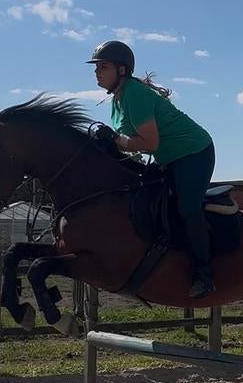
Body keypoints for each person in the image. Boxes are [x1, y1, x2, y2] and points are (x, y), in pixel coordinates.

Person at [88, 39, 216, 298]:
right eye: (96, 68)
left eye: (103, 66)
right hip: (168, 157)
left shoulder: (135, 94)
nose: (96, 73)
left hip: (194, 153)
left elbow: (148, 143)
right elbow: (130, 145)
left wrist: (114, 140)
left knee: (187, 208)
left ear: (122, 70)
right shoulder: (117, 100)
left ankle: (205, 274)